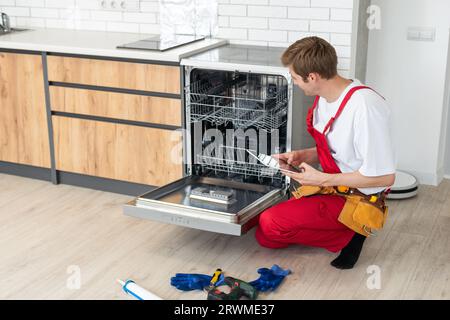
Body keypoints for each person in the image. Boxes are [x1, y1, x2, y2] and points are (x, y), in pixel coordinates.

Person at [255, 37, 396, 269]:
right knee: (265, 236)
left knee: (270, 224)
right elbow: (338, 150)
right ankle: (343, 228)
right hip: (335, 185)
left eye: (295, 77)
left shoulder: (364, 107)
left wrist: (322, 179)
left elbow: (385, 177)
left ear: (312, 77)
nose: (294, 82)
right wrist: (303, 155)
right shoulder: (325, 98)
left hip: (359, 195)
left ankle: (352, 233)